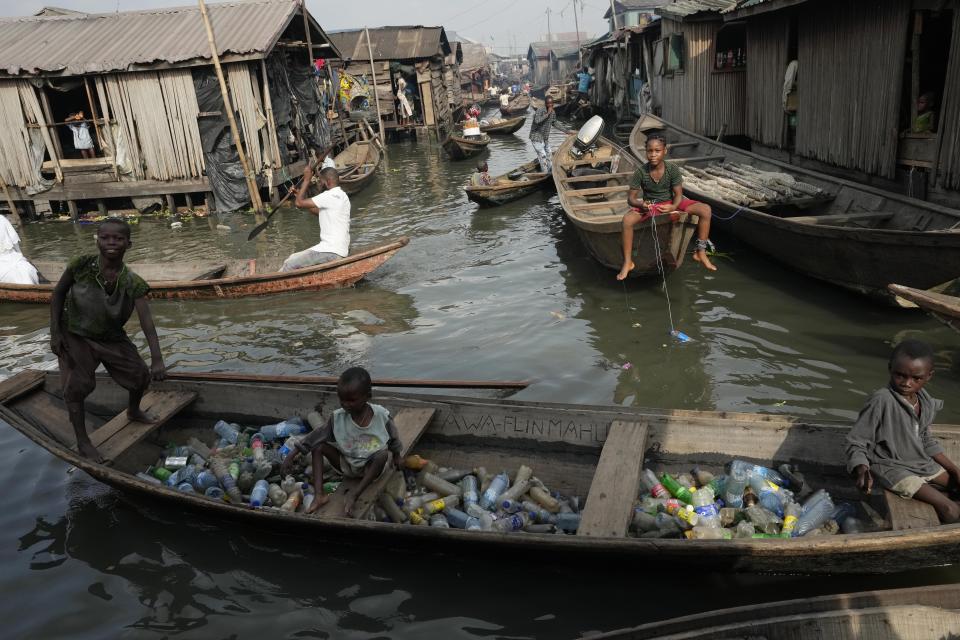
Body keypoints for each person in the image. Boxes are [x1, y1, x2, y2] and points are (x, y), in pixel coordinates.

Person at [50, 218, 166, 461]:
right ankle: (83, 441)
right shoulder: (81, 265)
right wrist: (55, 332)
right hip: (75, 333)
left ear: (128, 244)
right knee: (78, 386)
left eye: (118, 238)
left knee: (139, 375)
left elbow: (147, 321)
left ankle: (133, 411)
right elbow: (58, 293)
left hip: (110, 336)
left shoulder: (131, 281)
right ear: (97, 241)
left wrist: (157, 359)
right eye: (105, 238)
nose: (111, 242)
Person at [846, 339, 960, 524]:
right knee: (950, 508)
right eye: (900, 375)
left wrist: (954, 469)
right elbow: (857, 441)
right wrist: (862, 469)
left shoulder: (925, 401)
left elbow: (925, 439)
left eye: (916, 378)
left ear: (929, 376)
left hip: (921, 464)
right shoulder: (881, 400)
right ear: (890, 368)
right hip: (892, 468)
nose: (907, 383)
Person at [281, 367, 402, 516]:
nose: (346, 404)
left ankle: (354, 494)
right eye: (342, 399)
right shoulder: (337, 418)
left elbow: (394, 437)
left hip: (370, 469)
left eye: (351, 400)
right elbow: (314, 437)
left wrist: (396, 455)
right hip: (346, 464)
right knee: (318, 446)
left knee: (382, 455)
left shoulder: (381, 415)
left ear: (367, 396)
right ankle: (319, 495)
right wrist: (291, 455)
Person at [617, 133, 716, 280]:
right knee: (627, 220)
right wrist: (641, 204)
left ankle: (700, 252)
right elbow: (631, 199)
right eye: (650, 151)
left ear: (665, 151)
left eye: (657, 151)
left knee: (705, 209)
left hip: (671, 202)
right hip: (651, 205)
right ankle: (628, 262)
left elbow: (678, 195)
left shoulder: (672, 169)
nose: (653, 155)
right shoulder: (641, 172)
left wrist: (673, 207)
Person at [282, 165, 350, 272]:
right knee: (291, 258)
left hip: (331, 250)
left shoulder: (330, 195)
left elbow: (299, 203)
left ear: (328, 182)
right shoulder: (342, 196)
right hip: (337, 249)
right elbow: (315, 210)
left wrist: (307, 180)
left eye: (320, 181)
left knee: (289, 264)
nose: (318, 183)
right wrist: (298, 194)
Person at [0, 213, 39, 284]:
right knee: (20, 272)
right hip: (10, 259)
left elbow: (16, 247)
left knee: (24, 270)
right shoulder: (2, 219)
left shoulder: (2, 219)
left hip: (12, 257)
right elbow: (17, 248)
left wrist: (20, 258)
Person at [530, 95, 559, 173]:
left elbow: (555, 123)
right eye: (548, 103)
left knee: (549, 154)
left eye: (551, 103)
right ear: (545, 104)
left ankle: (551, 172)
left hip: (544, 138)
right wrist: (547, 114)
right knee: (543, 155)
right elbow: (537, 121)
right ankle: (545, 173)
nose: (550, 105)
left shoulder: (553, 112)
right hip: (536, 137)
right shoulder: (540, 110)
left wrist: (566, 131)